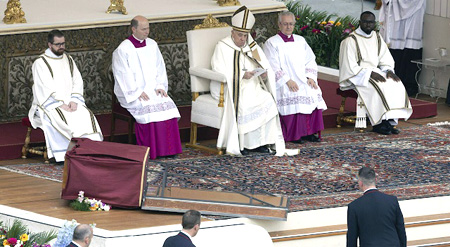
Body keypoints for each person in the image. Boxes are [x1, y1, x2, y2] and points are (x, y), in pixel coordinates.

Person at [211, 6, 298, 156]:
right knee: (245, 104)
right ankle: (244, 145)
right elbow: (217, 69)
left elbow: (264, 65)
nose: (243, 39)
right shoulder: (222, 46)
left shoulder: (251, 46)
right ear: (232, 33)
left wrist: (263, 74)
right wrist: (240, 75)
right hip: (233, 86)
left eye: (245, 35)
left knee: (268, 100)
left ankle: (262, 143)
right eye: (239, 35)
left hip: (253, 85)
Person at [112, 15, 182, 159]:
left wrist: (160, 85)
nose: (147, 32)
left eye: (148, 28)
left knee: (167, 105)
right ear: (133, 29)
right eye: (143, 29)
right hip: (133, 91)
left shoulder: (152, 44)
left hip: (153, 88)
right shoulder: (123, 49)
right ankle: (152, 151)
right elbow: (122, 74)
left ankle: (169, 150)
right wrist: (137, 92)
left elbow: (160, 67)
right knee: (148, 109)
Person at [28, 29, 103, 163]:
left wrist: (74, 100)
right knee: (62, 118)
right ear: (50, 45)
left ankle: (88, 151)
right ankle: (65, 155)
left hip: (71, 101)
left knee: (85, 115)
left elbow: (77, 81)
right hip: (49, 103)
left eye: (63, 43)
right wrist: (59, 104)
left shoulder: (68, 59)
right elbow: (43, 88)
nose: (61, 47)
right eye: (58, 44)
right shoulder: (40, 63)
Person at [339, 11, 413, 135]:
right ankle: (378, 124)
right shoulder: (350, 40)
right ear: (360, 23)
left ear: (375, 23)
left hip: (375, 71)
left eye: (371, 22)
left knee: (395, 83)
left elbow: (385, 58)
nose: (368, 25)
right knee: (378, 87)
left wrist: (388, 70)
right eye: (366, 22)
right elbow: (349, 66)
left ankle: (389, 121)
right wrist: (369, 74)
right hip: (358, 75)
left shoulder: (377, 37)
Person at [264, 11, 327, 144]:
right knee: (293, 93)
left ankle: (309, 132)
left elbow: (310, 60)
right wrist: (287, 80)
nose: (288, 27)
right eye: (285, 24)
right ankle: (295, 135)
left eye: (291, 24)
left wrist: (310, 77)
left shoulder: (300, 40)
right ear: (279, 24)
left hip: (303, 79)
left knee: (312, 90)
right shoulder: (271, 43)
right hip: (284, 82)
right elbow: (272, 65)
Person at [346, 166, 407, 247]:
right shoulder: (392, 201)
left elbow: (352, 238)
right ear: (375, 180)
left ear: (360, 183)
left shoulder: (354, 207)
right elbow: (401, 230)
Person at [379, 0, 426, 96]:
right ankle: (389, 83)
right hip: (394, 11)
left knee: (409, 45)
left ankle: (407, 85)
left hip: (413, 11)